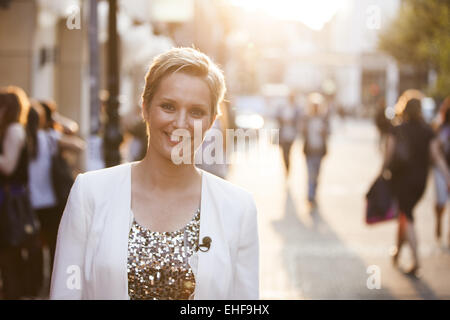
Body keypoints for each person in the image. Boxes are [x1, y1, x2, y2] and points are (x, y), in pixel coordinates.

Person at [50, 47, 259, 300]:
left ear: (211, 120)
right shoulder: (90, 193)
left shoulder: (238, 207)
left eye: (196, 112)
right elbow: (66, 293)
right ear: (145, 108)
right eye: (168, 106)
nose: (181, 123)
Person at [384, 98, 450, 276]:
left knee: (408, 216)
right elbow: (436, 156)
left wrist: (383, 173)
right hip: (420, 182)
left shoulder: (397, 129)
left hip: (402, 180)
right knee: (405, 214)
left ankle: (416, 261)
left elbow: (389, 153)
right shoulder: (428, 131)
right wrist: (446, 177)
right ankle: (397, 252)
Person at [27, 100, 84, 294]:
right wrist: (55, 119)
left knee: (33, 246)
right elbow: (78, 143)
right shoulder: (51, 137)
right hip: (51, 200)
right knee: (54, 245)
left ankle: (33, 287)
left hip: (28, 201)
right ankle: (52, 284)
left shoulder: (22, 137)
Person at [0, 86, 40, 299]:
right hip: (11, 198)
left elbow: (8, 165)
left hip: (11, 200)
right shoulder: (14, 129)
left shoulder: (14, 129)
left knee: (10, 250)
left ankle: (13, 292)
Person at [301, 92, 329, 205]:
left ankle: (314, 192)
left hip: (319, 150)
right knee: (310, 174)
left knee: (316, 174)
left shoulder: (323, 119)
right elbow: (302, 132)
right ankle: (310, 195)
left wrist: (324, 133)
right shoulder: (307, 119)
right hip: (309, 150)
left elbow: (328, 132)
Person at [432, 97, 450, 244]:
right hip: (441, 169)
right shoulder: (441, 128)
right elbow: (436, 152)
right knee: (441, 201)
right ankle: (438, 218)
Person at [277, 93, 300, 175]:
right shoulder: (283, 108)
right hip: (283, 135)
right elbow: (277, 118)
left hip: (291, 135)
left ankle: (288, 168)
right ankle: (286, 167)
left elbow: (298, 121)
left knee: (288, 152)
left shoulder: (296, 109)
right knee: (284, 153)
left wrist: (291, 122)